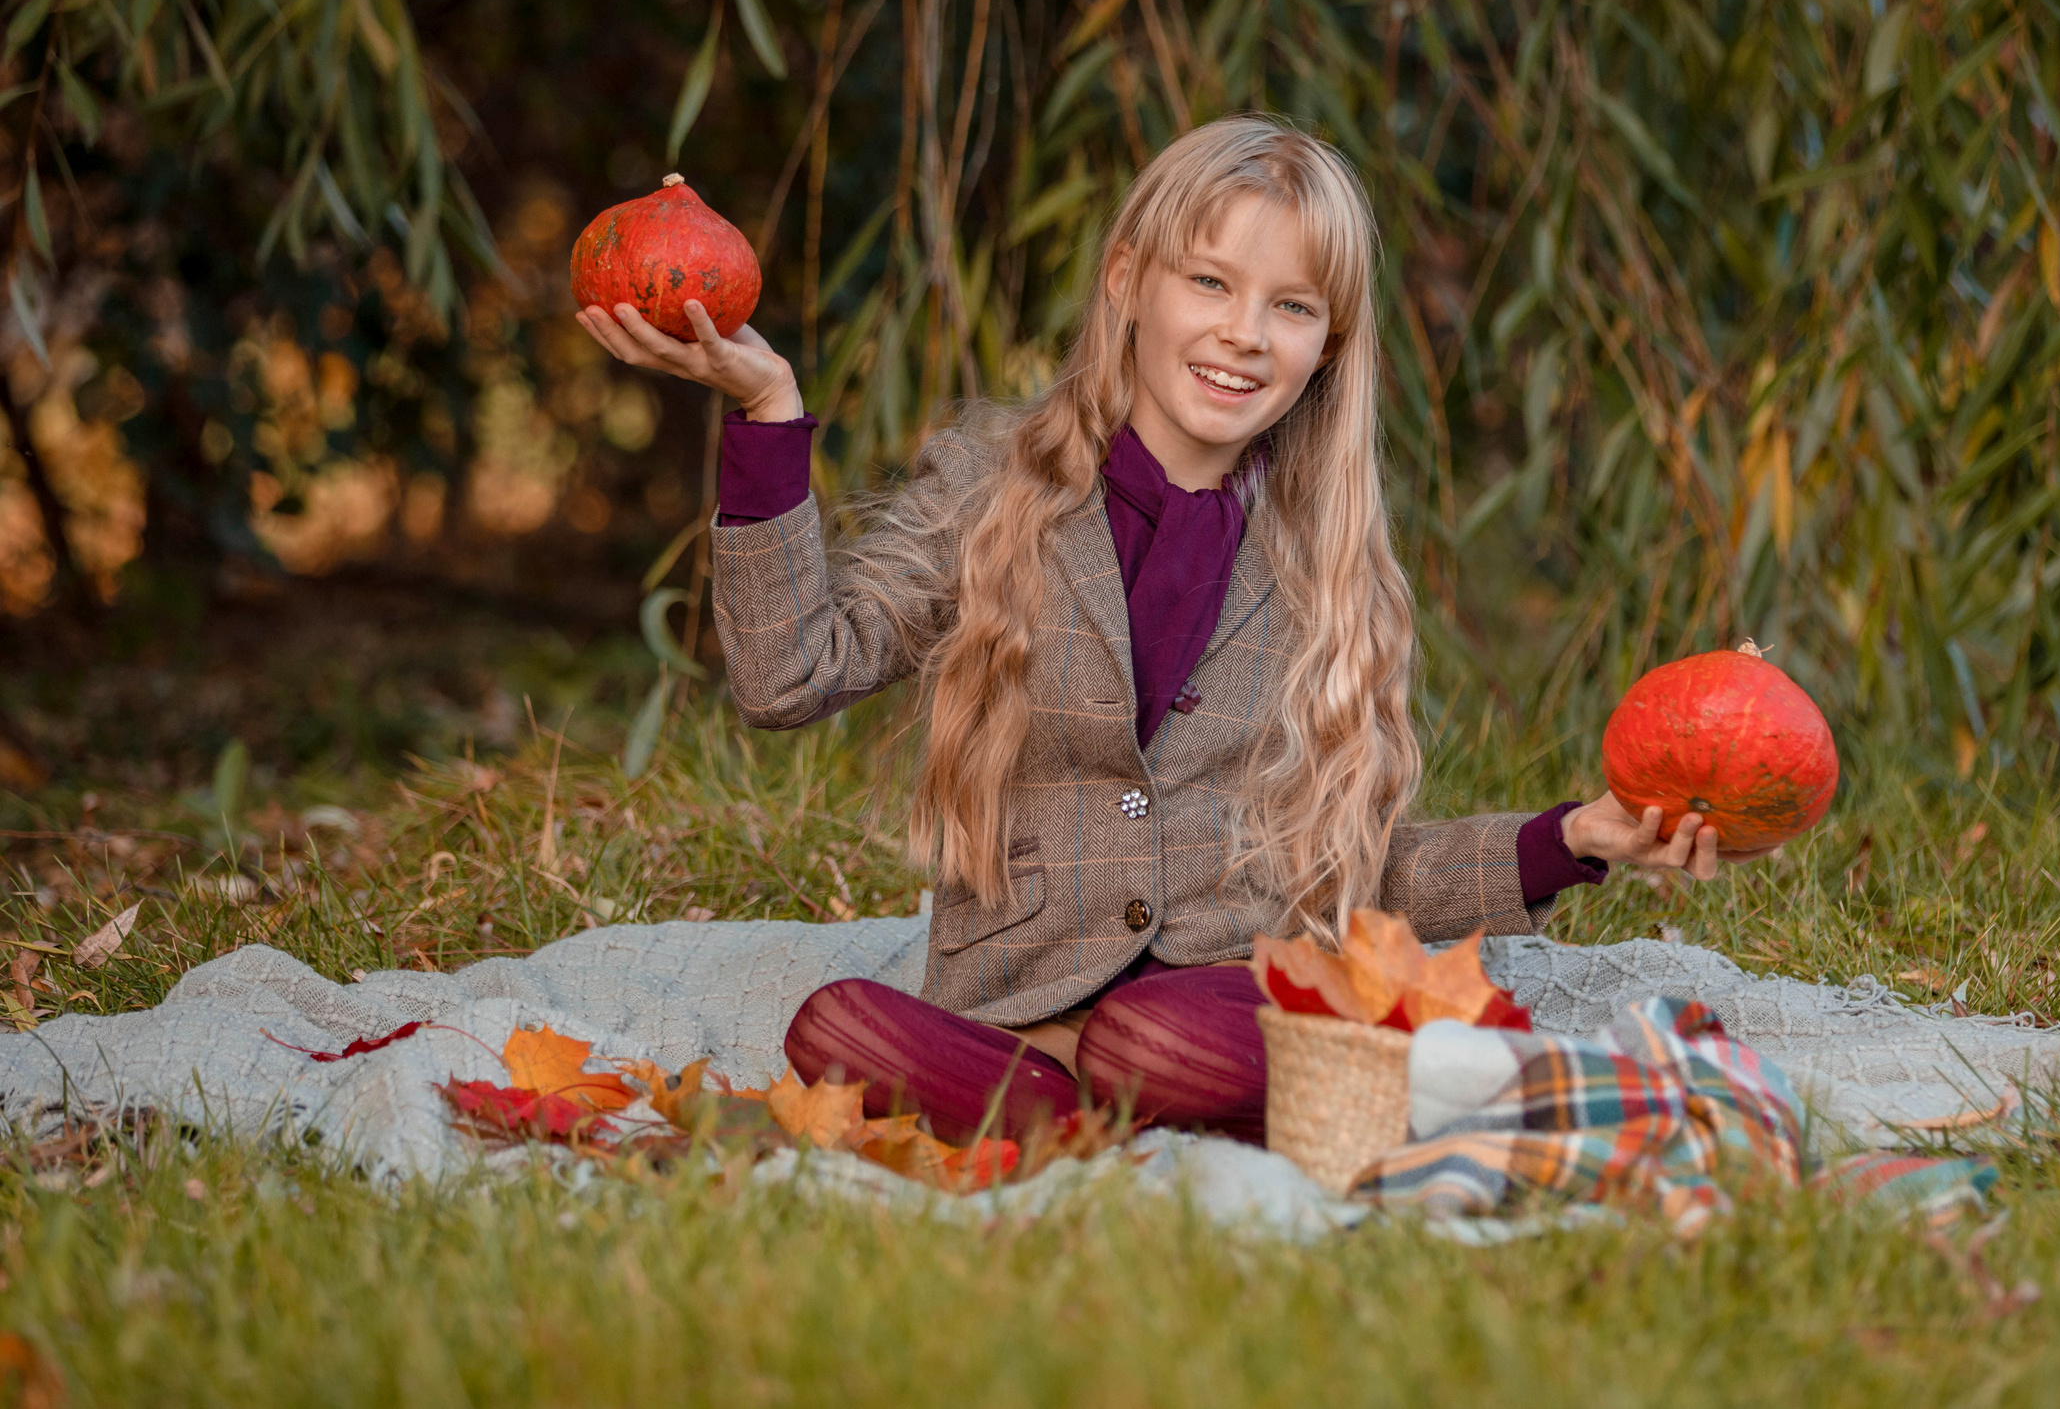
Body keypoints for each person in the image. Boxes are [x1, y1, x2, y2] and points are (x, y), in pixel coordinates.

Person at [576, 115, 1736, 1146]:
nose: (1243, 333)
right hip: (1022, 1017)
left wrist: (1572, 836)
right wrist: (767, 413)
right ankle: (1158, 1105)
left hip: (1220, 1002)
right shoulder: (994, 486)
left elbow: (1353, 871)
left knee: (1152, 1037)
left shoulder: (1326, 563)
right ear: (1130, 278)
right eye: (1211, 283)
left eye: (1290, 307)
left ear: (1326, 347)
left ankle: (1275, 1085)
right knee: (832, 1023)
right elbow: (787, 676)